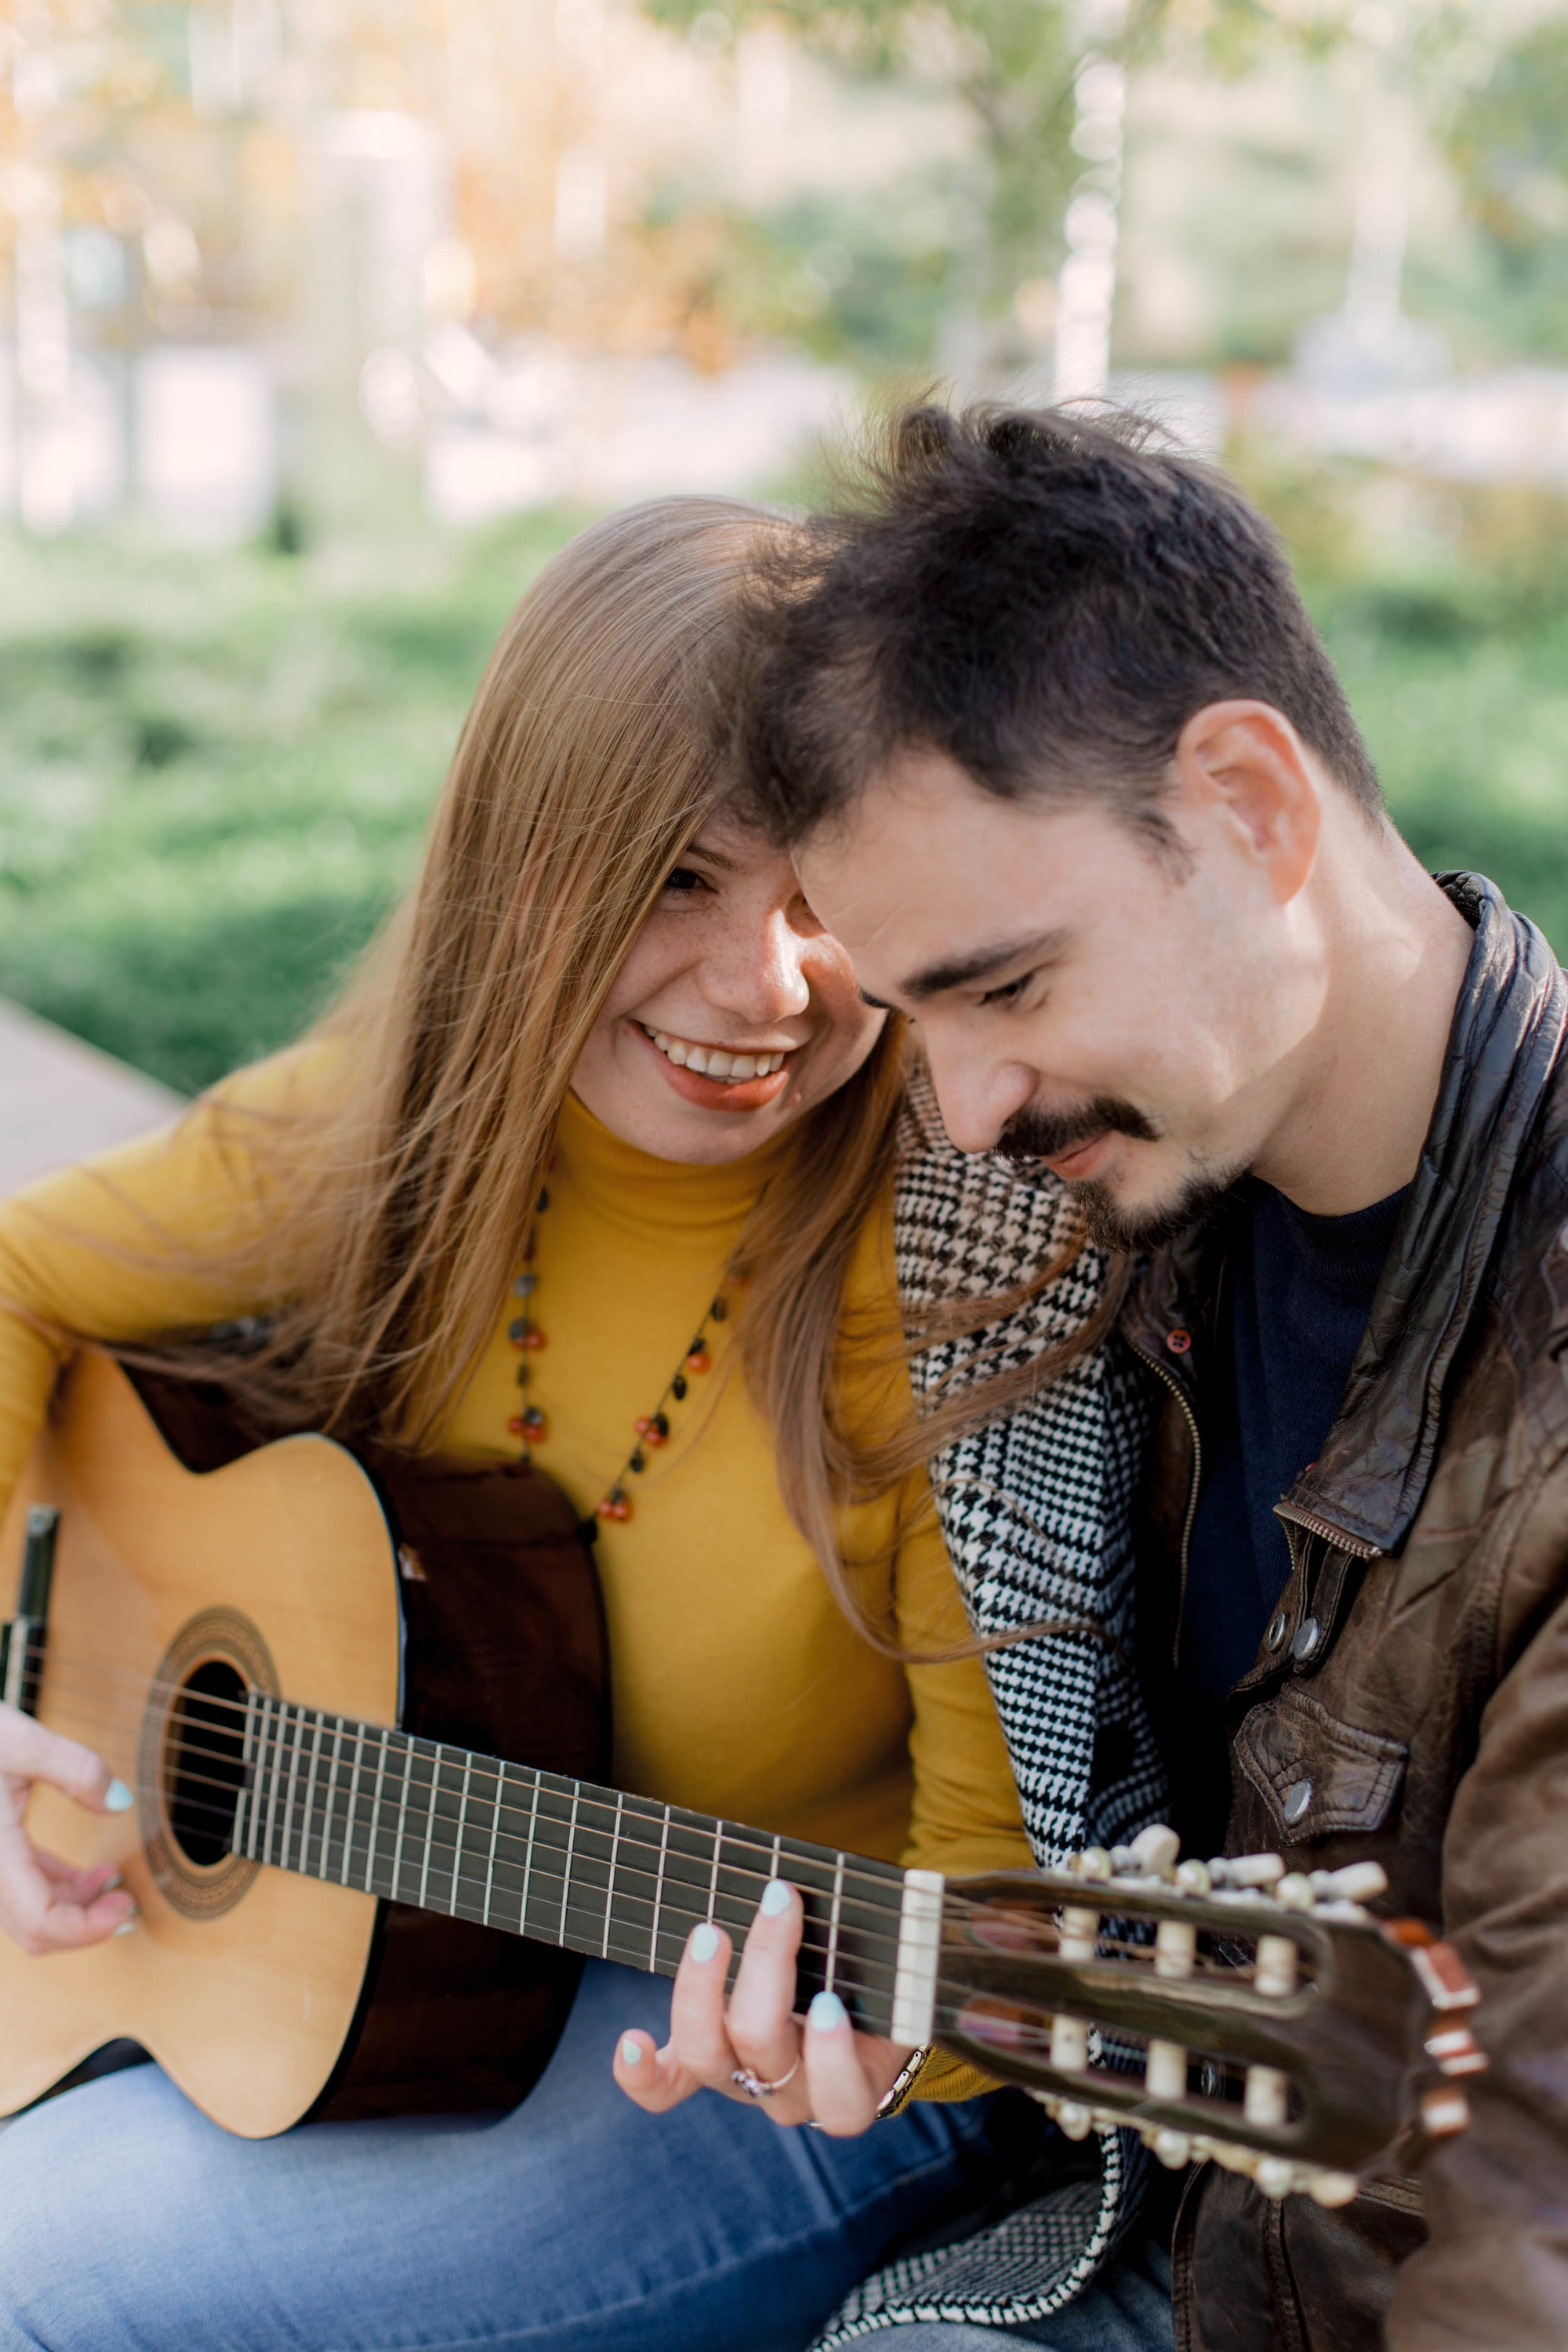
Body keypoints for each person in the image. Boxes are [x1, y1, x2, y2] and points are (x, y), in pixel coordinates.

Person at [0, 494, 1101, 2352]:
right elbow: (21, 1269)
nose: (761, 988)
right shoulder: (401, 1124)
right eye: (677, 877)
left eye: (822, 897)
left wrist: (873, 2052)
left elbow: (989, 1935)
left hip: (773, 2068)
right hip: (372, 1962)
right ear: (528, 865)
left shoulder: (948, 1272)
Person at [737, 401, 1568, 2350]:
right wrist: (924, 2016)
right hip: (1131, 2227)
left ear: (1251, 807)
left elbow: (1528, 2211)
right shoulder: (1093, 1204)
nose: (960, 1107)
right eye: (914, 1015)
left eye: (1006, 987)